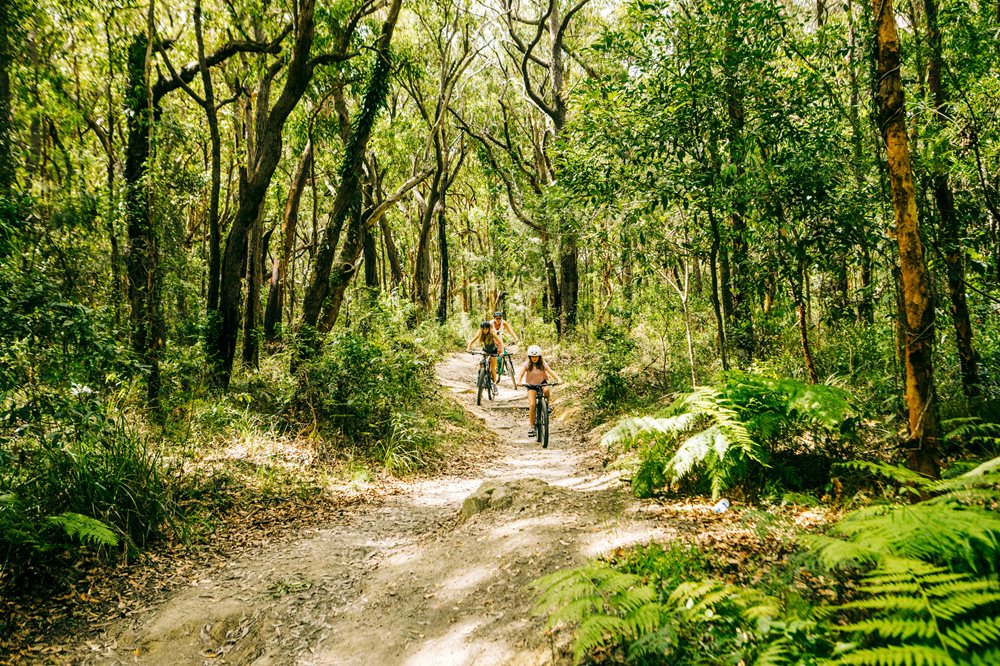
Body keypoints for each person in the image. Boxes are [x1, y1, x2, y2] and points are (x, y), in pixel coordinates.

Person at [516, 345, 563, 438]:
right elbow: (521, 374)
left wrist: (559, 379)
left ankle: (547, 405)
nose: (534, 358)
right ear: (529, 357)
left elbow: (551, 371)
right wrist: (519, 381)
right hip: (531, 385)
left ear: (539, 356)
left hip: (542, 383)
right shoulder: (527, 364)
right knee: (532, 405)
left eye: (536, 356)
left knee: (546, 390)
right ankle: (532, 427)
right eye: (532, 357)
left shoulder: (543, 364)